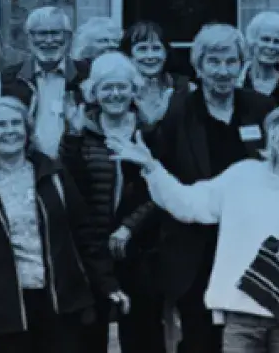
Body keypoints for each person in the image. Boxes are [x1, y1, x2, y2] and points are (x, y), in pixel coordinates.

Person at [111, 99, 279, 353]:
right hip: (241, 310)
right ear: (273, 130)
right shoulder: (242, 174)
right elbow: (188, 205)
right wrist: (151, 167)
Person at [0, 97, 123, 353]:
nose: (9, 131)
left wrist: (107, 283)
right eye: (0, 125)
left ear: (27, 131)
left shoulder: (53, 175)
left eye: (15, 124)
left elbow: (85, 236)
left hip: (58, 305)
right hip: (1, 315)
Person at [147, 24, 276, 353]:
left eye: (230, 62)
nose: (222, 71)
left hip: (251, 249)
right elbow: (160, 176)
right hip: (196, 248)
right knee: (200, 339)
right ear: (198, 66)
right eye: (213, 63)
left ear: (241, 64)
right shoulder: (178, 111)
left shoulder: (261, 109)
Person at [61, 52, 167, 353]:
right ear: (94, 93)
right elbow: (72, 190)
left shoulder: (149, 132)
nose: (115, 94)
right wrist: (71, 137)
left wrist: (128, 228)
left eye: (122, 86)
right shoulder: (81, 132)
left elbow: (161, 191)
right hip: (92, 248)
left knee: (142, 332)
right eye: (107, 87)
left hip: (139, 248)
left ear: (134, 90)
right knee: (90, 334)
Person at [0, 6, 86, 159]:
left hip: (77, 166)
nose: (49, 40)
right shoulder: (7, 79)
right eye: (41, 33)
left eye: (55, 33)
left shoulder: (86, 76)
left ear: (68, 37)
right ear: (29, 38)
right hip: (25, 167)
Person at [120, 20, 192, 124]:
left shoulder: (185, 89)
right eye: (142, 49)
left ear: (166, 53)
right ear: (128, 55)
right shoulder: (119, 90)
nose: (150, 56)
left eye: (156, 48)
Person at [239, 12, 279, 106]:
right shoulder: (238, 76)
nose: (271, 46)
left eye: (277, 41)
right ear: (253, 41)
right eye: (265, 39)